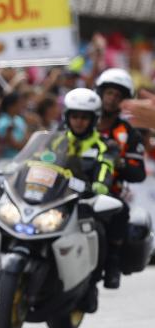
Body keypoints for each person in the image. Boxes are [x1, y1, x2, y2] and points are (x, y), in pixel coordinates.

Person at [51, 88, 117, 312]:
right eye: (75, 116)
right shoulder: (55, 141)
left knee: (98, 229)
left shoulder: (104, 146)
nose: (79, 122)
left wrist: (98, 186)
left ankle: (92, 281)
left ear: (94, 119)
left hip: (84, 202)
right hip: (52, 201)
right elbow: (35, 161)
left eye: (84, 117)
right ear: (67, 117)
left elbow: (105, 170)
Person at [95, 68, 146, 289]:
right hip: (71, 186)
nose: (112, 99)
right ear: (100, 94)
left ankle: (113, 262)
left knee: (120, 211)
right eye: (109, 93)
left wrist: (120, 162)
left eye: (118, 96)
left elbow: (139, 172)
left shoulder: (129, 133)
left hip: (108, 190)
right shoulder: (80, 121)